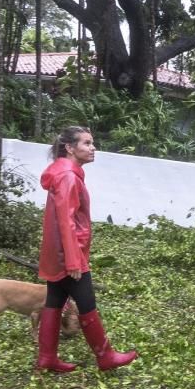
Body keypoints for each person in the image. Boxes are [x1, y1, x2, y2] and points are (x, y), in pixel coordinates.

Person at [35, 126, 138, 372]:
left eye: (92, 143)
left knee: (55, 300)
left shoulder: (64, 173)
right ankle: (106, 356)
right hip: (69, 253)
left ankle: (46, 358)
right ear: (70, 148)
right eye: (87, 143)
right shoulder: (69, 177)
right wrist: (73, 261)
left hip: (57, 252)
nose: (93, 148)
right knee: (86, 301)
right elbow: (66, 221)